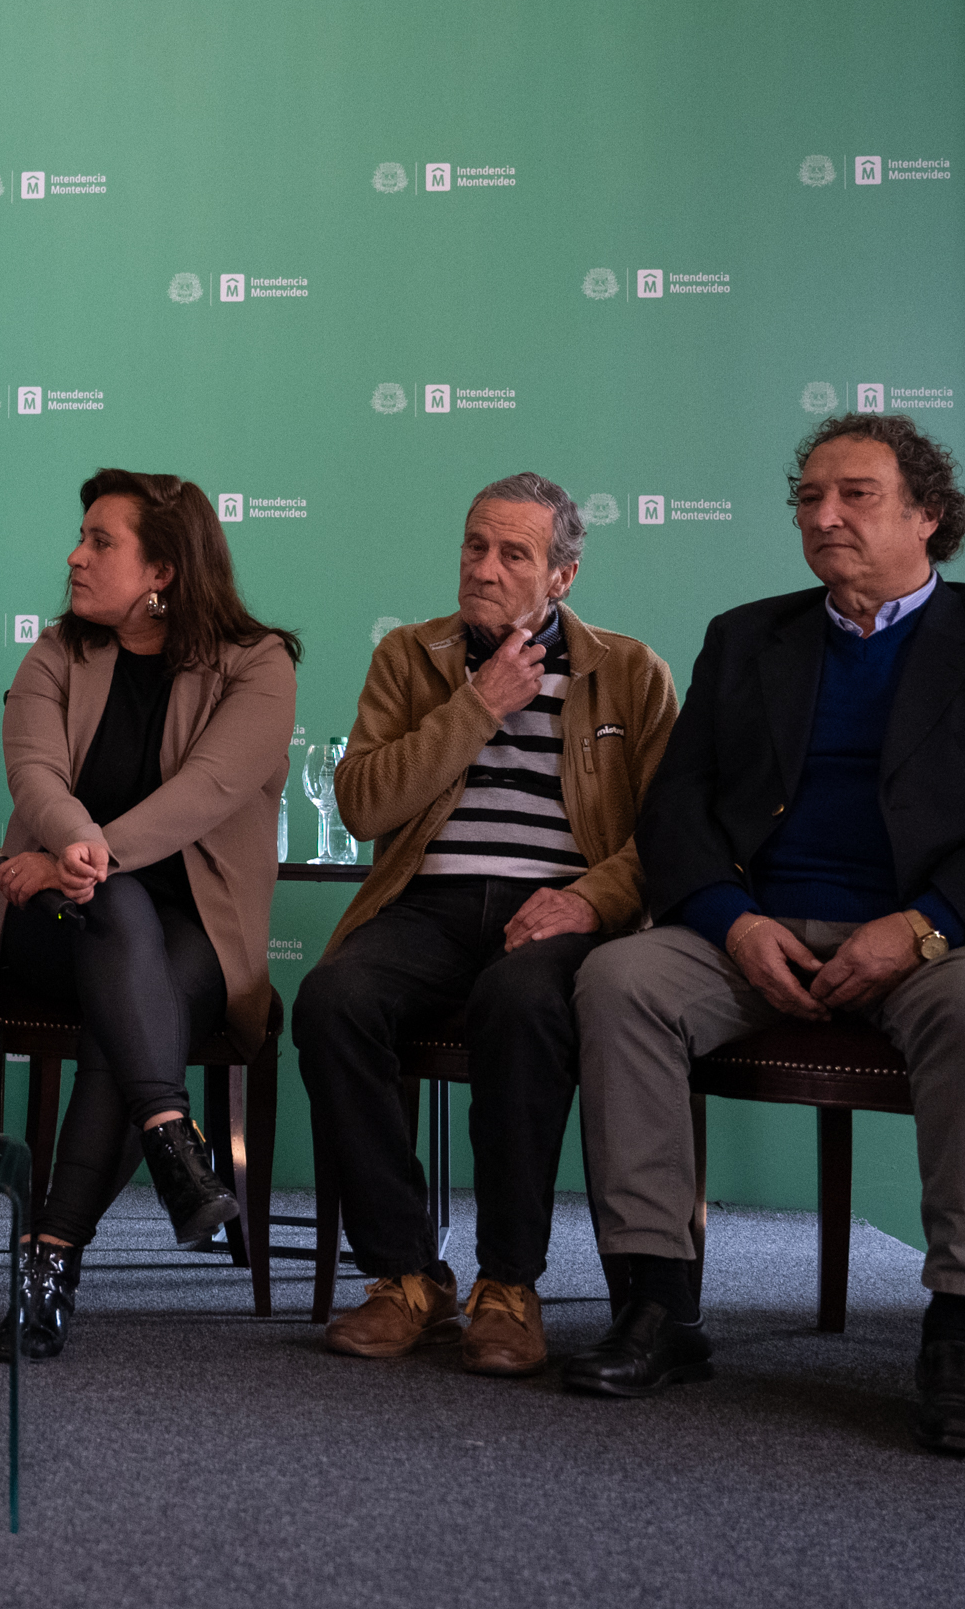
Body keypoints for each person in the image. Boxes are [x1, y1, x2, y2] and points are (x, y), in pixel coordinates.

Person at [564, 415, 965, 1457]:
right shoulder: (748, 637)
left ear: (929, 513)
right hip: (766, 923)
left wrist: (923, 925)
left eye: (855, 494)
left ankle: (962, 1329)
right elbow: (677, 811)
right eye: (810, 497)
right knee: (621, 977)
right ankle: (660, 1303)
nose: (824, 516)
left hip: (948, 934)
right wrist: (734, 925)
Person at [294, 473, 678, 1374]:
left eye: (514, 554)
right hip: (426, 904)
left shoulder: (630, 672)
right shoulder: (411, 659)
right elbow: (361, 803)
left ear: (562, 578)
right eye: (476, 546)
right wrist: (478, 707)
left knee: (520, 1007)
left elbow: (668, 835)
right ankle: (405, 1278)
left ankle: (508, 1286)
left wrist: (588, 900)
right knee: (332, 999)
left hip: (558, 914)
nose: (486, 569)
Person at [0, 471, 298, 1359]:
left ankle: (46, 1265)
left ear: (163, 567)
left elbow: (209, 792)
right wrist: (83, 853)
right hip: (55, 927)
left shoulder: (258, 664)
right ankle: (171, 1133)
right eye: (80, 538)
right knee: (117, 919)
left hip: (199, 936)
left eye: (100, 542)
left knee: (126, 1020)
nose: (75, 557)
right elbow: (34, 774)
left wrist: (81, 856)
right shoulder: (56, 655)